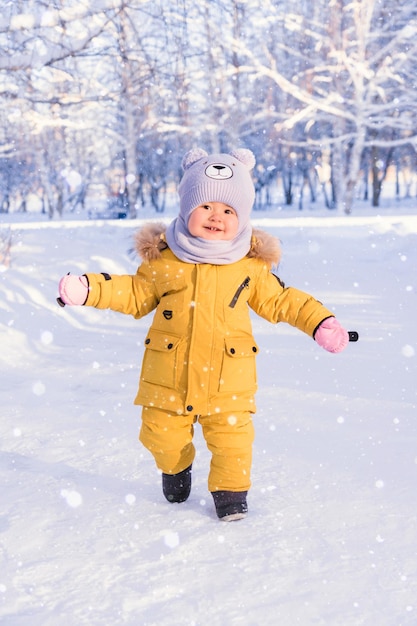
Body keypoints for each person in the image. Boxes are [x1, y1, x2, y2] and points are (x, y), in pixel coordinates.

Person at [58, 147, 350, 522]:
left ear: (242, 216)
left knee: (234, 442)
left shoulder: (250, 266)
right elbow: (133, 293)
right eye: (206, 206)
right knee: (160, 434)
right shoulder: (165, 260)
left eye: (229, 210)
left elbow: (283, 301)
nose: (217, 217)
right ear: (186, 208)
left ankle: (230, 495)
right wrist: (89, 288)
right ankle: (176, 466)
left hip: (229, 380)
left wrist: (319, 322)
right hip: (169, 379)